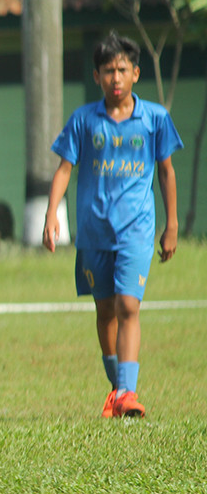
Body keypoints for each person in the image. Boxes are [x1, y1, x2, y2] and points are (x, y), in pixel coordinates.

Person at [43, 31, 181, 419]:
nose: (115, 78)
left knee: (127, 305)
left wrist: (170, 225)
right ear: (96, 75)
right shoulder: (84, 120)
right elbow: (64, 169)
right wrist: (52, 213)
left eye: (122, 69)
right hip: (93, 232)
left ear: (136, 73)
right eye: (108, 70)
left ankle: (127, 392)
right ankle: (117, 389)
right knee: (104, 311)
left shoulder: (155, 118)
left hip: (136, 229)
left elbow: (166, 172)